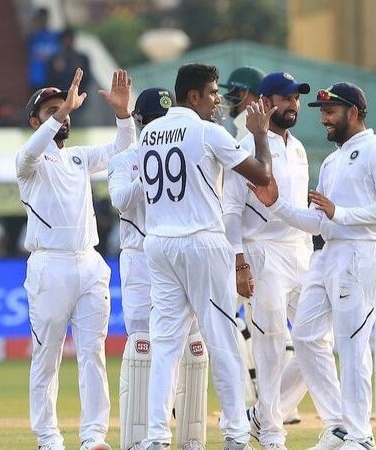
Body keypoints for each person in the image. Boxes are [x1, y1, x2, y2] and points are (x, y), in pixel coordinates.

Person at [249, 81, 376, 450]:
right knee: (304, 337)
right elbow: (318, 220)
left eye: (331, 112)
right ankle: (338, 426)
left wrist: (341, 213)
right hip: (327, 253)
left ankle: (360, 436)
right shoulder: (333, 160)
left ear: (354, 112)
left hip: (362, 253)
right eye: (323, 114)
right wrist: (275, 205)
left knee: (351, 345)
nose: (324, 120)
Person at [137, 63, 275, 450]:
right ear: (193, 95)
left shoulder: (148, 132)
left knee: (165, 346)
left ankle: (156, 437)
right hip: (201, 241)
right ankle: (235, 434)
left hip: (159, 243)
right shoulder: (208, 131)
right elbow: (262, 176)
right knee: (222, 338)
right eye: (213, 93)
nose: (217, 101)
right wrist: (260, 135)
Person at [16, 68, 133, 450]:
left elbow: (123, 150)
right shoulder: (28, 163)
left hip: (89, 262)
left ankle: (93, 436)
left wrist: (123, 114)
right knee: (46, 356)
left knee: (92, 354)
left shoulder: (79, 158)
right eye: (51, 111)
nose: (61, 115)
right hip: (49, 265)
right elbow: (32, 151)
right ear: (35, 122)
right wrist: (63, 111)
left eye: (63, 109)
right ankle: (48, 437)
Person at [110, 88, 209, 450]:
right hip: (139, 255)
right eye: (153, 121)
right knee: (143, 343)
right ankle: (140, 438)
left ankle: (190, 436)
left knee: (190, 343)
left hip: (178, 250)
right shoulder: (125, 159)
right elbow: (120, 199)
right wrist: (152, 172)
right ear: (140, 122)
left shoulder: (184, 152)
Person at [222, 72, 313, 450]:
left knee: (317, 341)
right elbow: (230, 210)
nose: (293, 104)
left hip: (300, 251)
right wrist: (239, 261)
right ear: (264, 102)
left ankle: (262, 416)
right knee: (271, 343)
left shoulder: (299, 147)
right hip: (262, 250)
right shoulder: (244, 147)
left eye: (296, 98)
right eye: (285, 97)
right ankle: (273, 431)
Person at [219, 65, 266, 410]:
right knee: (244, 323)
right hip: (236, 239)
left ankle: (261, 404)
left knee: (254, 323)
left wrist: (238, 257)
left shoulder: (246, 135)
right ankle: (255, 402)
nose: (229, 99)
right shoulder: (235, 130)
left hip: (250, 241)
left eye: (236, 92)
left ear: (251, 95)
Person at [220, 66, 266, 140]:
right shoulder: (262, 122)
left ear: (243, 93)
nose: (228, 98)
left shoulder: (249, 126)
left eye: (231, 91)